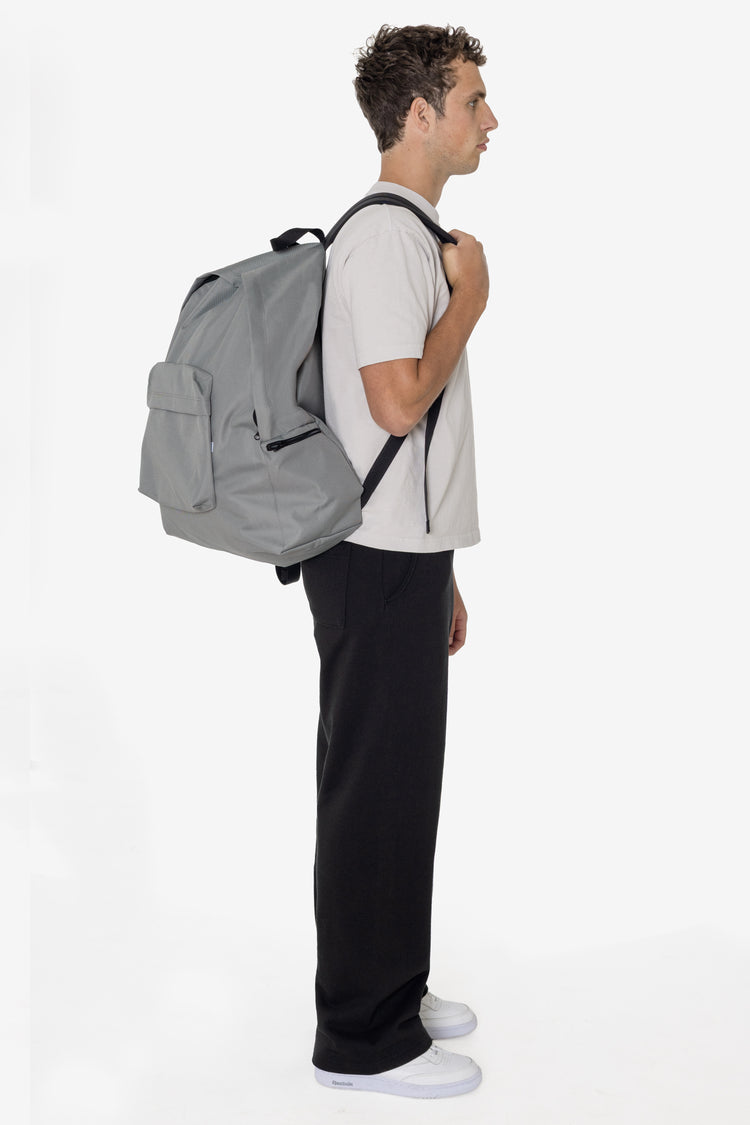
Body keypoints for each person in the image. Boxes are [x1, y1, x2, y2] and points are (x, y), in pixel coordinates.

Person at [300, 23, 498, 1099]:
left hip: (397, 557)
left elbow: (393, 437)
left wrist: (443, 569)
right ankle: (361, 1040)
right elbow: (394, 405)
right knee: (374, 791)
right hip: (372, 562)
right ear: (419, 114)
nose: (489, 120)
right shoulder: (387, 240)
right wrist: (472, 303)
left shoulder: (416, 234)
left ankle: (392, 988)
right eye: (472, 100)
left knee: (399, 785)